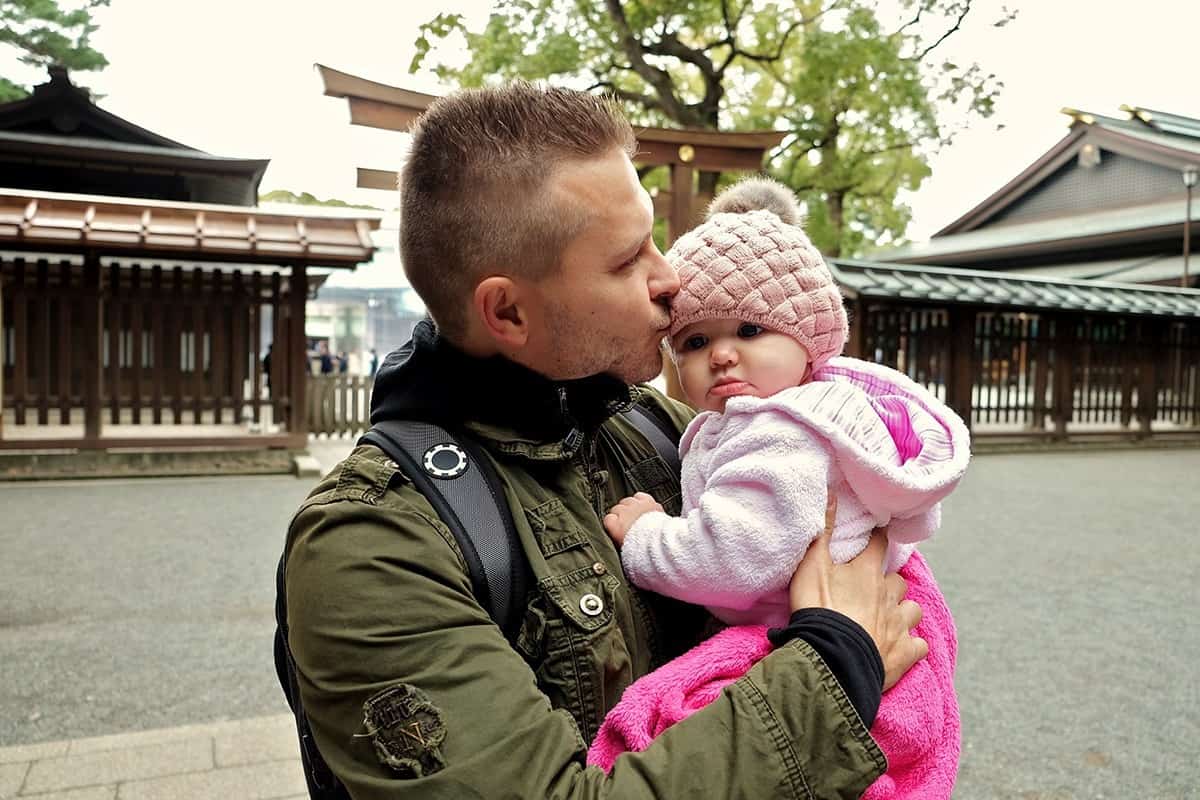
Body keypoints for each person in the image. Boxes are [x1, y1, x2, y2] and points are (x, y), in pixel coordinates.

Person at [282, 81, 926, 799]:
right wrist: (834, 670)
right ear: (508, 311)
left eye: (653, 240)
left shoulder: (662, 430)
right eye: (627, 261)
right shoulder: (374, 546)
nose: (669, 277)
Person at [589, 178, 969, 797]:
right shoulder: (775, 418)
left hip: (797, 630)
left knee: (655, 726)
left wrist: (646, 534)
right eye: (694, 340)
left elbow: (732, 559)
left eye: (748, 330)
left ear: (807, 339)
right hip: (832, 614)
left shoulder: (779, 432)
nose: (721, 356)